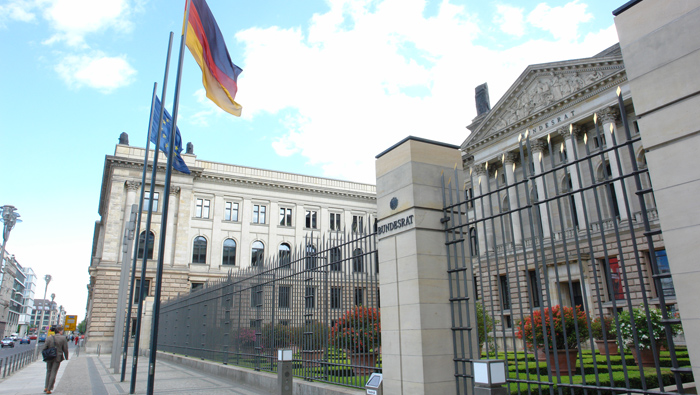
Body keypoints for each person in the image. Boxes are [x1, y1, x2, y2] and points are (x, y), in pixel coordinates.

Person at [43, 325, 69, 394]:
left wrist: (46, 355)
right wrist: (66, 357)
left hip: (49, 356)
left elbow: (44, 348)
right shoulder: (63, 338)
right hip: (58, 357)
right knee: (53, 372)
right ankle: (49, 389)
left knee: (48, 371)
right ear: (60, 331)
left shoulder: (49, 338)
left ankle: (46, 387)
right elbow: (65, 349)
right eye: (62, 331)